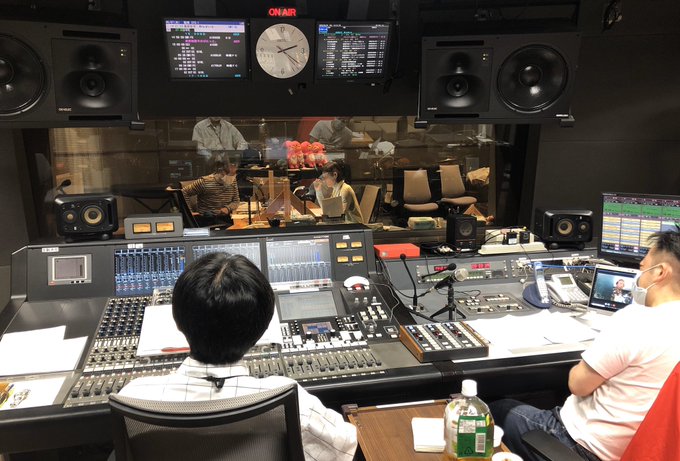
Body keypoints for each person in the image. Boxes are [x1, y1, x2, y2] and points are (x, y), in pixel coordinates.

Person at [119, 253, 357, 461]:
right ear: (262, 330)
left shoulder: (133, 397)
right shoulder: (291, 399)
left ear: (178, 322)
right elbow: (344, 447)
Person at [490, 229, 680, 461]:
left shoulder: (635, 320)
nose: (639, 277)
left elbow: (578, 384)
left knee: (497, 409)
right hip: (644, 452)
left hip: (582, 448)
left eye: (643, 268)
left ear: (660, 272)